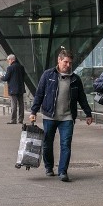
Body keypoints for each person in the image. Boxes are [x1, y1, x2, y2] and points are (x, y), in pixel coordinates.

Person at [29, 49, 93, 182]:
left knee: (66, 144)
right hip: (49, 115)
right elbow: (39, 94)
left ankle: (63, 171)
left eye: (70, 63)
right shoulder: (48, 75)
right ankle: (48, 167)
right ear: (59, 60)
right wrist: (33, 112)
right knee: (47, 143)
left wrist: (88, 113)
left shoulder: (75, 79)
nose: (68, 65)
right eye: (65, 62)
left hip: (67, 117)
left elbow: (82, 98)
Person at [0, 54, 26, 124]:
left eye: (8, 60)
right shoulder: (21, 67)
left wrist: (1, 77)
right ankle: (20, 119)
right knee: (21, 104)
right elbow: (24, 76)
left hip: (13, 89)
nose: (8, 61)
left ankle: (13, 120)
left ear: (12, 60)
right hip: (21, 88)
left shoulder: (10, 68)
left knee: (14, 105)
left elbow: (6, 78)